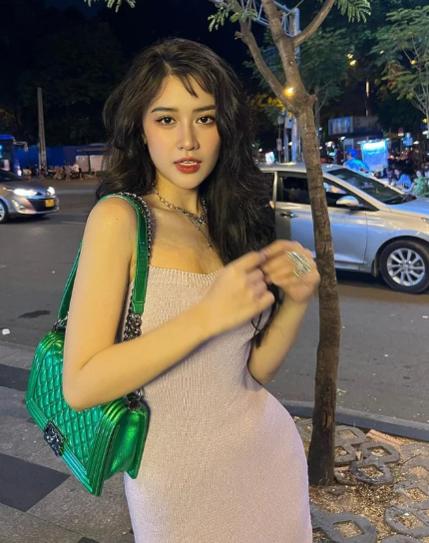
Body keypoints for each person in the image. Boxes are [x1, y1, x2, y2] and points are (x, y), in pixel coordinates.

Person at [62, 38, 319, 542]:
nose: (188, 141)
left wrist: (296, 301)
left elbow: (253, 372)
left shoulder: (232, 221)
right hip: (177, 485)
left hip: (267, 461)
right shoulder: (120, 219)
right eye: (166, 119)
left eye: (204, 118)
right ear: (141, 128)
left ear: (225, 127)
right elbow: (81, 385)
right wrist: (206, 316)